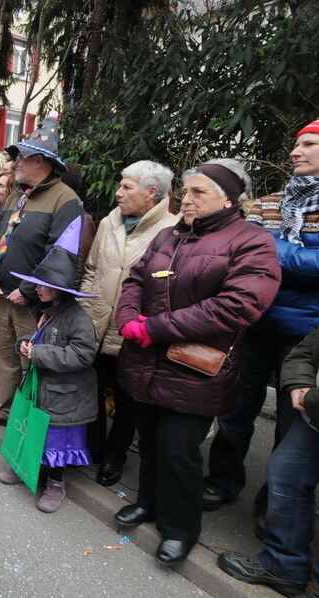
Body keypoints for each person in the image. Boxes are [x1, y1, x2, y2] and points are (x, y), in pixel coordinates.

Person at [112, 158, 281, 566]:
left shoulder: (252, 241)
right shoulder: (169, 235)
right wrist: (128, 319)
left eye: (198, 192)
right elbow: (136, 279)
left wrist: (156, 327)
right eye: (185, 191)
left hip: (194, 368)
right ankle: (147, 504)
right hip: (145, 359)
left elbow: (238, 306)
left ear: (227, 198)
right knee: (149, 441)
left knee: (180, 451)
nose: (186, 200)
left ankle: (180, 529)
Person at [204, 121, 319, 516]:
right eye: (296, 144)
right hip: (254, 323)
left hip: (306, 336)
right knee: (234, 410)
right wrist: (282, 254)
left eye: (308, 144)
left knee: (291, 426)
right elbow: (241, 254)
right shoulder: (268, 202)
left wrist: (270, 247)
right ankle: (220, 482)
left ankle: (274, 505)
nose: (294, 152)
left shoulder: (266, 219)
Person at [0, 113, 84, 427]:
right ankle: (3, 409)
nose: (14, 166)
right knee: (4, 356)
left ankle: (25, 420)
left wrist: (26, 291)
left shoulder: (66, 200)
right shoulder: (16, 196)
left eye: (19, 159)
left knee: (29, 360)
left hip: (32, 302)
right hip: (2, 295)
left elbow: (60, 254)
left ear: (39, 161)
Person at [78, 160, 178, 487]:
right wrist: (84, 307)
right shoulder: (110, 221)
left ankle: (114, 457)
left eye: (126, 187)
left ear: (152, 192)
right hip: (95, 322)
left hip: (134, 332)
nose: (118, 192)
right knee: (90, 388)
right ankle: (90, 448)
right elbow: (92, 269)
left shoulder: (172, 230)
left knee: (127, 401)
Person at [217, 325, 319, 598]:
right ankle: (284, 565)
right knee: (286, 472)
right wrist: (300, 383)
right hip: (313, 410)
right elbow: (307, 348)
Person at [7, 215, 98, 513]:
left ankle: (55, 484)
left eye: (43, 285)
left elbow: (83, 355)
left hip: (65, 397)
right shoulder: (51, 310)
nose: (38, 290)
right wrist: (27, 341)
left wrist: (39, 354)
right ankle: (25, 468)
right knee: (34, 432)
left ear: (59, 288)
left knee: (57, 443)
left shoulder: (78, 318)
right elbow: (42, 336)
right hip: (45, 391)